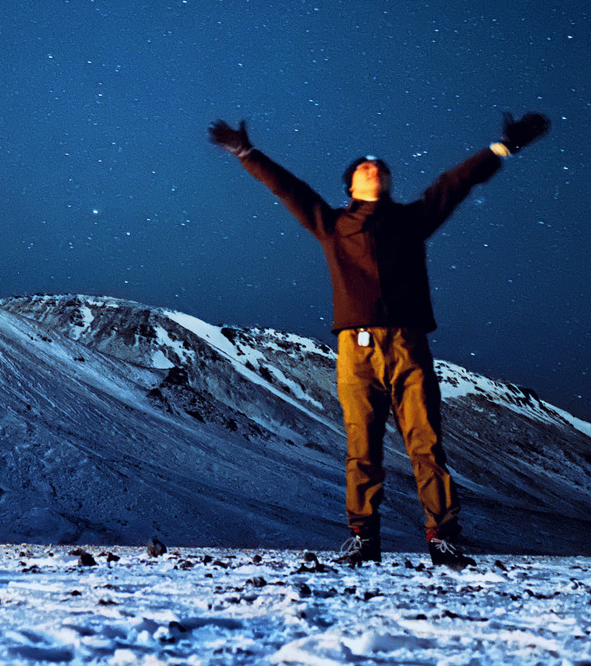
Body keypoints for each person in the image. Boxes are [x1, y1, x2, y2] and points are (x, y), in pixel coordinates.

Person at [208, 111, 550, 567]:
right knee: (361, 444)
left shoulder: (413, 220)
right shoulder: (331, 225)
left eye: (381, 167)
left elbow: (455, 183)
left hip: (409, 344)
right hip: (356, 348)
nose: (374, 168)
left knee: (426, 442)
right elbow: (287, 188)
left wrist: (500, 148)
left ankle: (443, 537)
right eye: (364, 167)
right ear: (350, 186)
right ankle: (363, 537)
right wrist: (246, 153)